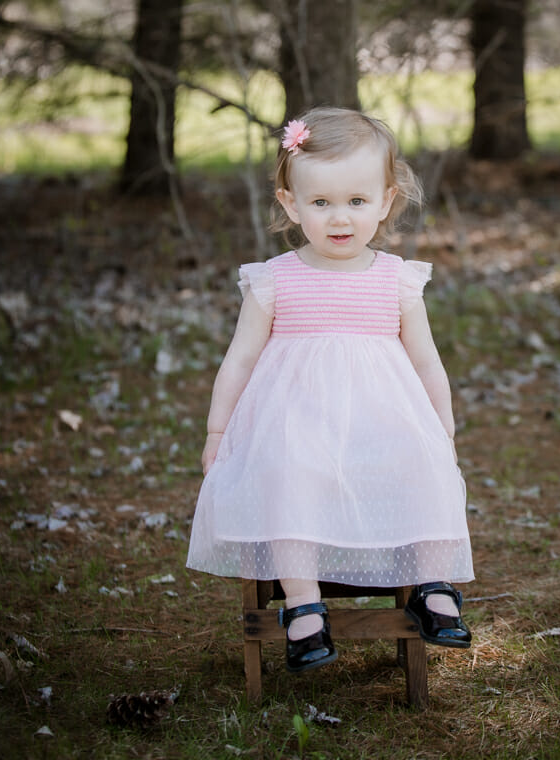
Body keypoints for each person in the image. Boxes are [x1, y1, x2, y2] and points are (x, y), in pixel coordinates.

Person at [187, 107, 474, 673]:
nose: (339, 217)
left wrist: (442, 426)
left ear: (386, 201)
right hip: (297, 427)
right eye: (320, 202)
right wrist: (218, 431)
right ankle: (303, 602)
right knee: (286, 473)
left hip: (382, 424)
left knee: (425, 465)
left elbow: (426, 360)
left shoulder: (396, 279)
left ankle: (432, 584)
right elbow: (239, 359)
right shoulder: (275, 279)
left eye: (356, 201)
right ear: (291, 203)